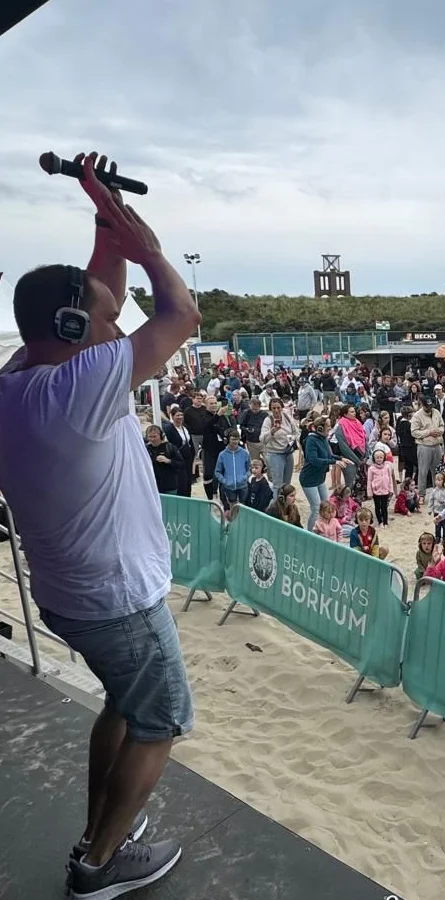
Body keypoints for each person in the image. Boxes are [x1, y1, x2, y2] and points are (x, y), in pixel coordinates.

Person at [0, 152, 200, 895]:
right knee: (162, 719)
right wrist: (145, 242)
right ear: (72, 324)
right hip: (118, 600)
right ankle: (100, 863)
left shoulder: (20, 379)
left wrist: (101, 213)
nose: (118, 324)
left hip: (68, 594)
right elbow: (182, 314)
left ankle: (100, 825)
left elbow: (101, 297)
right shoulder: (79, 390)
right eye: (105, 319)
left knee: (123, 700)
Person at [299, 416, 345, 532]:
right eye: (328, 426)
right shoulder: (311, 440)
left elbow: (328, 455)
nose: (330, 428)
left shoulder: (323, 438)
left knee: (326, 504)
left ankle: (323, 529)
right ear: (320, 428)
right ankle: (310, 533)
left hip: (319, 477)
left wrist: (341, 458)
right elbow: (313, 460)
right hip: (309, 479)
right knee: (316, 507)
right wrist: (334, 462)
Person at [260, 397, 299, 492]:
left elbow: (296, 432)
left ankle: (285, 505)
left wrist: (292, 439)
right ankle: (277, 505)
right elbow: (262, 439)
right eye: (274, 408)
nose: (276, 410)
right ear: (270, 409)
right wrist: (272, 431)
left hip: (288, 452)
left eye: (278, 407)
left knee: (287, 484)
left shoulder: (287, 417)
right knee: (277, 484)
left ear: (282, 407)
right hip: (275, 454)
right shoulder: (268, 420)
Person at [411, 395, 445, 496]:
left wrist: (439, 431)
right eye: (427, 406)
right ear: (422, 405)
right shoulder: (417, 416)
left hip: (437, 444)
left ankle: (438, 492)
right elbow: (414, 432)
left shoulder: (436, 412)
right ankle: (421, 494)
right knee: (423, 471)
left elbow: (442, 425)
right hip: (424, 445)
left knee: (438, 470)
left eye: (430, 406)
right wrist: (428, 432)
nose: (429, 408)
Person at [214, 427, 251, 512]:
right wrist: (225, 481)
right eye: (233, 439)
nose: (235, 441)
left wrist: (245, 477)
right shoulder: (222, 455)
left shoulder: (244, 453)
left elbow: (249, 468)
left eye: (237, 439)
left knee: (243, 508)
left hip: (243, 485)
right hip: (229, 487)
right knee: (232, 508)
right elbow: (217, 471)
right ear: (228, 440)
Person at [162, 407, 195, 497]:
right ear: (172, 417)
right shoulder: (169, 429)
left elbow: (190, 442)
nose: (180, 417)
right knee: (181, 482)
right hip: (177, 459)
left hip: (187, 458)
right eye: (177, 415)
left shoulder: (185, 428)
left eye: (181, 415)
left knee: (188, 482)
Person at [145, 424, 183, 495]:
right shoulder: (145, 449)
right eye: (150, 437)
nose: (152, 439)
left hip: (169, 486)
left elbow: (181, 463)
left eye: (154, 436)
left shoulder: (170, 447)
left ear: (161, 436)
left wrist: (168, 461)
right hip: (152, 486)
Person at [367, 448, 393, 527]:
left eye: (381, 457)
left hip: (385, 490)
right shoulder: (371, 468)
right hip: (376, 491)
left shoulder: (387, 467)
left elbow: (390, 478)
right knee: (377, 507)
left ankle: (385, 522)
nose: (379, 459)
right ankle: (380, 521)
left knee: (384, 507)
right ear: (374, 458)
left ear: (384, 458)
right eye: (377, 457)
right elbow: (369, 481)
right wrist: (370, 492)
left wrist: (391, 489)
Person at [427, 472, 445, 545]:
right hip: (436, 511)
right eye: (436, 480)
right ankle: (437, 537)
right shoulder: (434, 491)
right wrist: (430, 509)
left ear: (444, 481)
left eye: (439, 480)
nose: (437, 482)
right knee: (437, 525)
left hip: (444, 512)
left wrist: (444, 502)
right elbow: (431, 500)